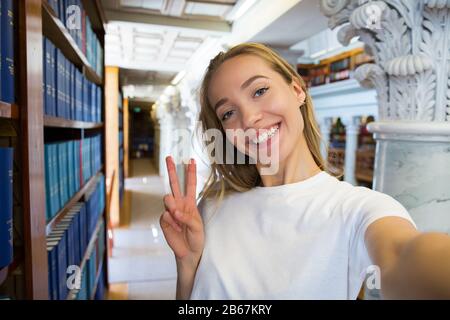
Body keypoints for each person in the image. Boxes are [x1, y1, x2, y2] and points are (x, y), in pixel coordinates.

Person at [160, 43, 450, 300]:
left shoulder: (359, 209)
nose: (249, 118)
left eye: (259, 91)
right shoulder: (211, 206)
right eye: (228, 113)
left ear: (297, 90)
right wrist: (187, 262)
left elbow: (403, 255)